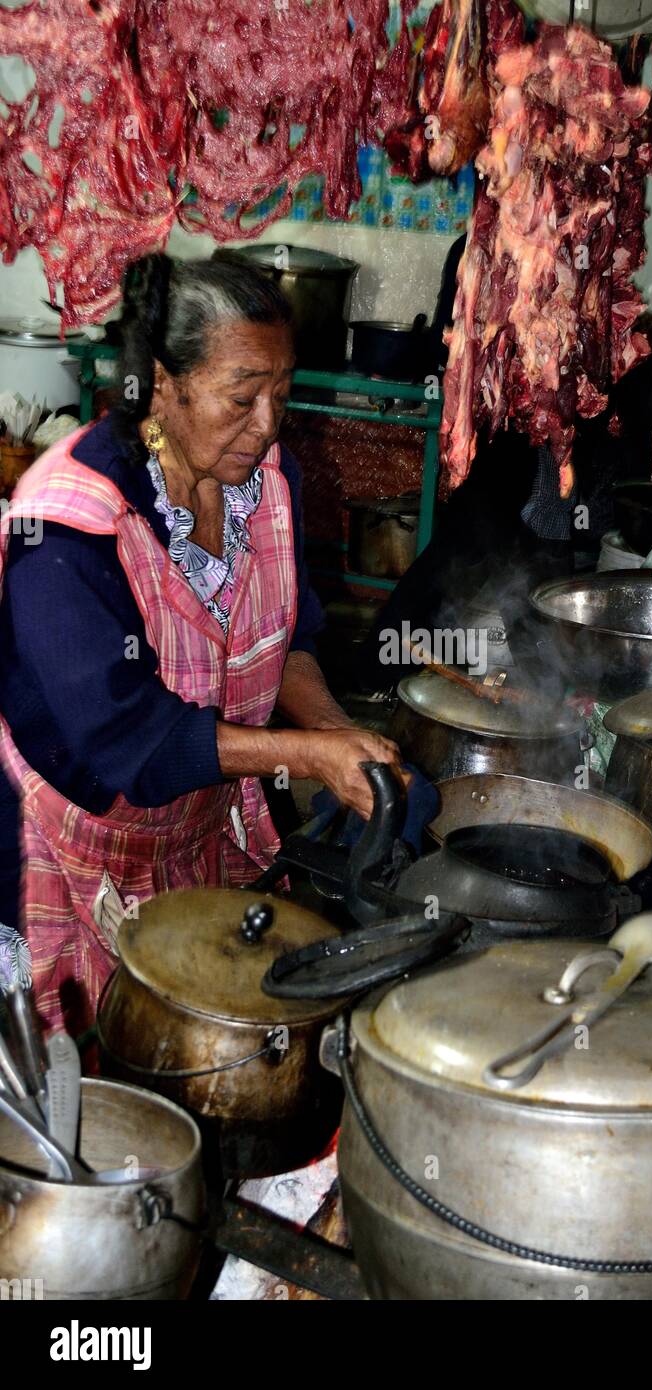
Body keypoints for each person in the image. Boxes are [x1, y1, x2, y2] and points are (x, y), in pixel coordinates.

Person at [0, 252, 406, 1033]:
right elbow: (131, 743)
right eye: (242, 397)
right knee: (80, 1083)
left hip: (193, 840)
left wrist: (329, 730)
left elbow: (288, 635)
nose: (267, 426)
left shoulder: (261, 486)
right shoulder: (68, 523)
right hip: (64, 856)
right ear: (159, 385)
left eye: (281, 397)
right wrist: (304, 757)